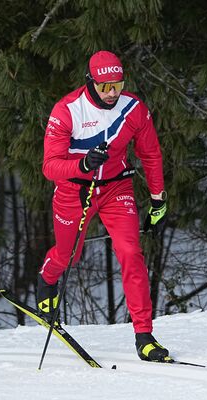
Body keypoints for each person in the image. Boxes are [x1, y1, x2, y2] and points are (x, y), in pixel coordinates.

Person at [36, 50, 169, 362]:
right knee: (68, 255)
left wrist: (158, 199)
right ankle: (46, 279)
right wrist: (82, 163)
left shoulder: (134, 108)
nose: (112, 93)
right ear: (90, 82)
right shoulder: (67, 110)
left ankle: (144, 336)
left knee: (130, 253)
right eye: (104, 86)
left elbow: (150, 154)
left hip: (115, 188)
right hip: (73, 189)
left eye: (118, 85)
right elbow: (49, 166)